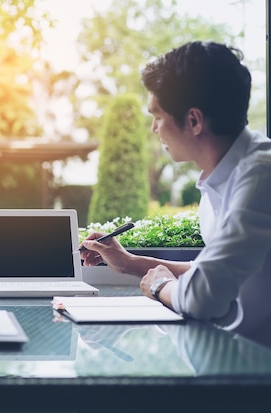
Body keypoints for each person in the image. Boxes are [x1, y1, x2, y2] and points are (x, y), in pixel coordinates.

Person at [80, 41, 271, 348]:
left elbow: (202, 296)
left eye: (157, 116)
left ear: (193, 121)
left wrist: (160, 287)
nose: (154, 129)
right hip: (237, 350)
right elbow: (211, 273)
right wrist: (128, 262)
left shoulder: (261, 179)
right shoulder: (222, 176)